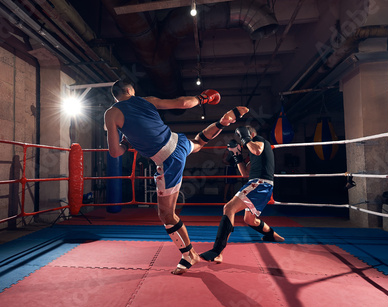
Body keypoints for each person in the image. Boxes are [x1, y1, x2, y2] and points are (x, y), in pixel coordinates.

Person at [104, 80, 249, 275]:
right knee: (197, 143)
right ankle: (221, 123)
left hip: (167, 159)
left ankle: (189, 254)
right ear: (131, 91)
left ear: (115, 96)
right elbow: (183, 103)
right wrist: (202, 98)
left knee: (166, 215)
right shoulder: (146, 100)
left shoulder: (111, 113)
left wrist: (126, 144)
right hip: (176, 140)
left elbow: (114, 152)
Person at [200, 125, 284, 264]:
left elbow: (256, 149)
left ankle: (217, 251)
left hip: (259, 185)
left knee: (228, 208)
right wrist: (237, 156)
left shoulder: (259, 141)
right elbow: (245, 173)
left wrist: (246, 138)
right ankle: (273, 236)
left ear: (250, 134)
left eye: (242, 137)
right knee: (250, 220)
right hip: (258, 185)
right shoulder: (254, 151)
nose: (241, 142)